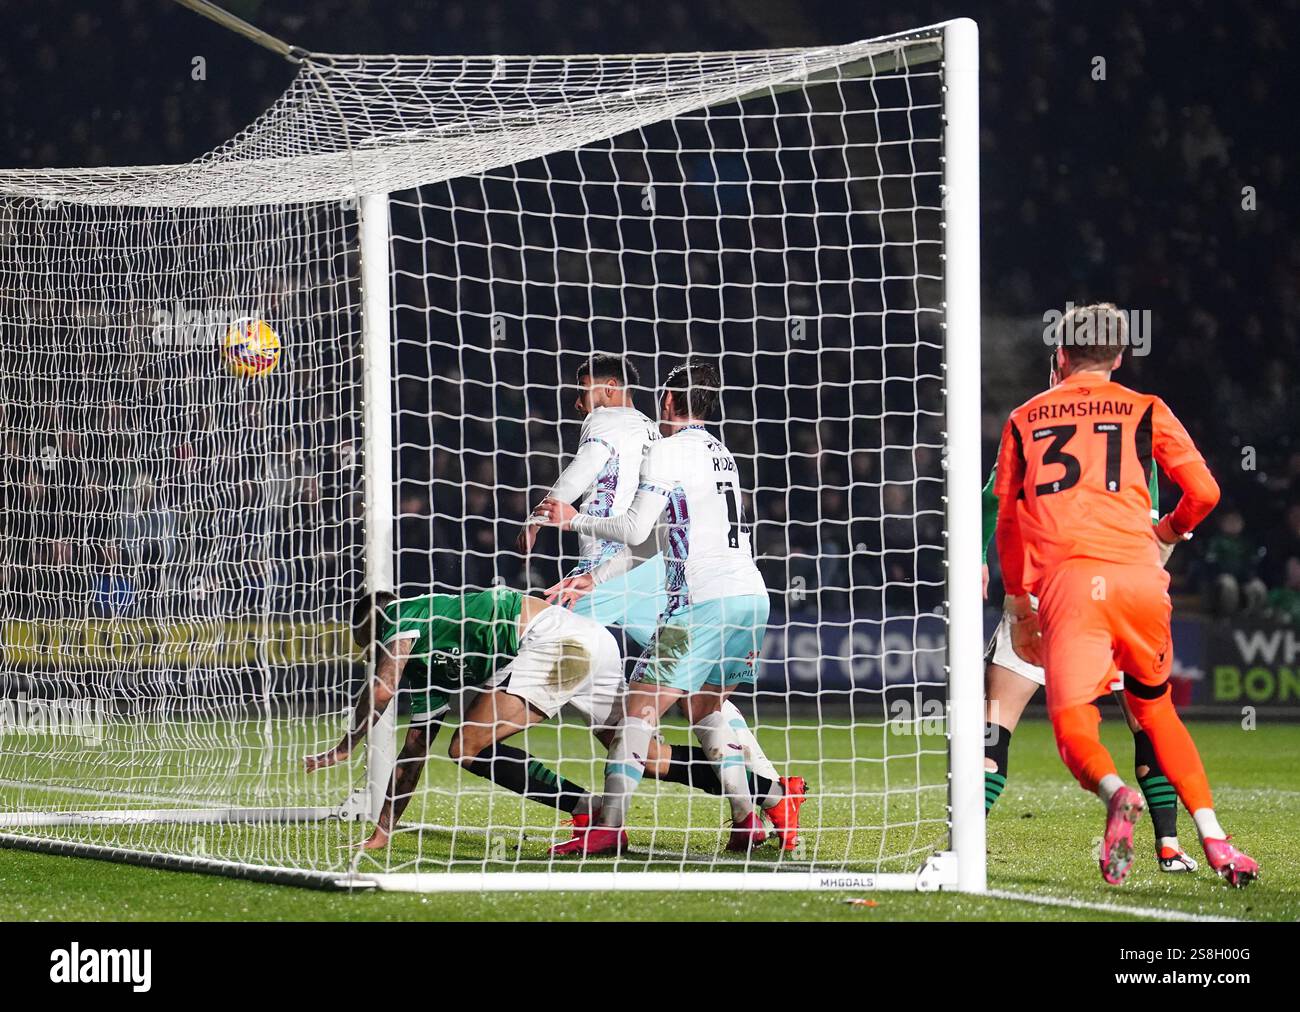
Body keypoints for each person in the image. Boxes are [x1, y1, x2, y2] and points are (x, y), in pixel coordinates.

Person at [993, 303, 1257, 887]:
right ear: (1120, 355)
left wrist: (1016, 602)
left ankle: (1113, 792)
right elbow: (1205, 492)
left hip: (1067, 584)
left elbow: (1007, 524)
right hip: (1141, 577)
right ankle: (1215, 841)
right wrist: (1167, 532)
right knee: (1155, 711)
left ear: (1059, 355)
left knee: (1071, 724)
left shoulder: (1024, 418)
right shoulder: (1146, 409)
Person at [521, 353, 803, 849]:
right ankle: (751, 818)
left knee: (637, 710)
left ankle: (607, 829)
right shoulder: (723, 454)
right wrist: (597, 578)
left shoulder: (665, 450)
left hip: (701, 601)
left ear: (668, 401)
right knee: (706, 710)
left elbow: (631, 527)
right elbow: (655, 540)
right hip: (750, 599)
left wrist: (572, 520)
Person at [981, 352, 1197, 872]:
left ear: (1058, 371)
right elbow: (1176, 510)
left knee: (995, 722)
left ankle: (966, 842)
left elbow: (994, 505)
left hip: (1046, 589)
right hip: (1124, 591)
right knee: (1147, 719)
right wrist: (1164, 539)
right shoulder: (1132, 427)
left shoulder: (1031, 422)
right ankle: (1168, 845)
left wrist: (980, 563)